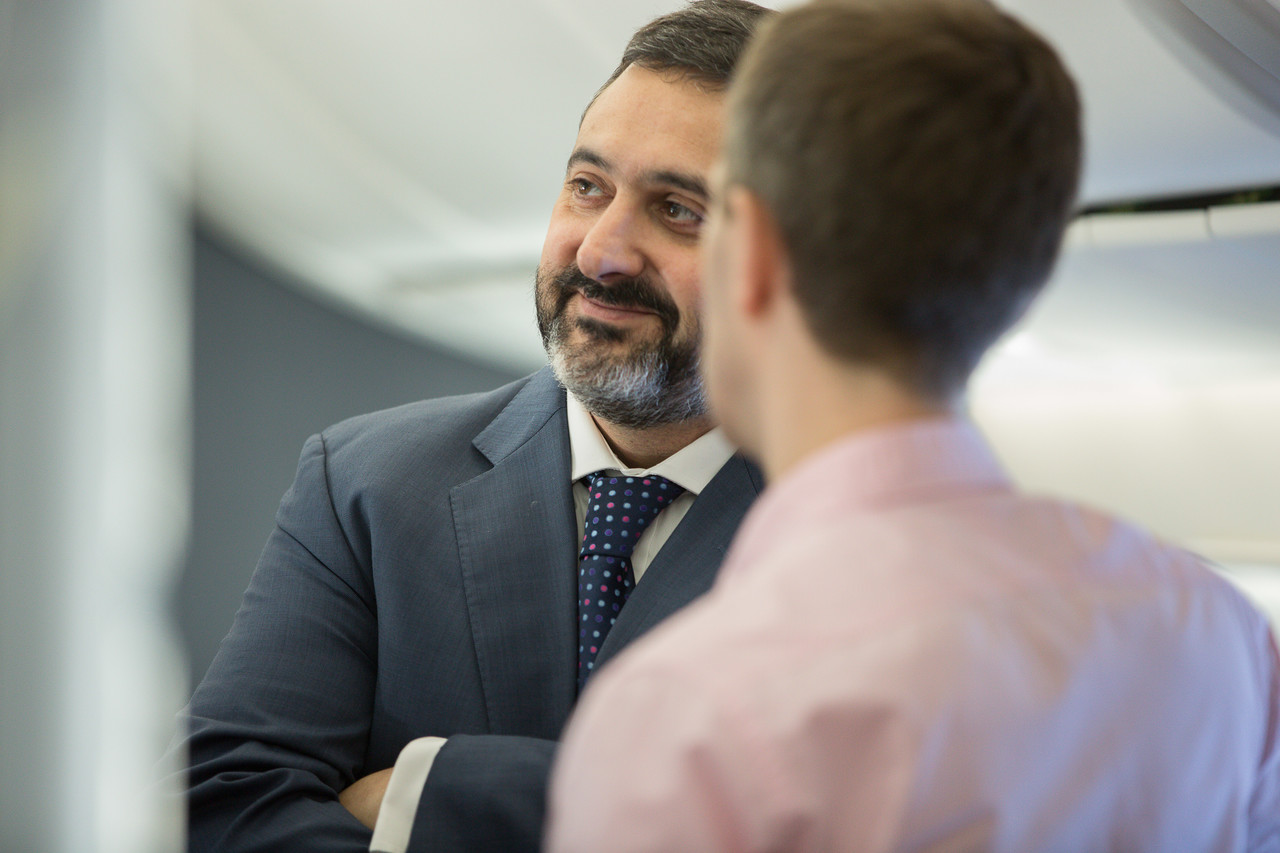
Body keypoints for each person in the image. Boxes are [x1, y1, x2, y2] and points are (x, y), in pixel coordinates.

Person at [547, 0, 1280, 850]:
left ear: (754, 259)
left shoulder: (692, 712)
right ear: (1018, 282)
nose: (603, 252)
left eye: (686, 212)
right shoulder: (1215, 630)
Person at [173, 2, 773, 852]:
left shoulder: (865, 535)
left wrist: (426, 790)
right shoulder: (367, 483)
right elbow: (217, 802)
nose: (600, 252)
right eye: (588, 186)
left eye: (678, 209)